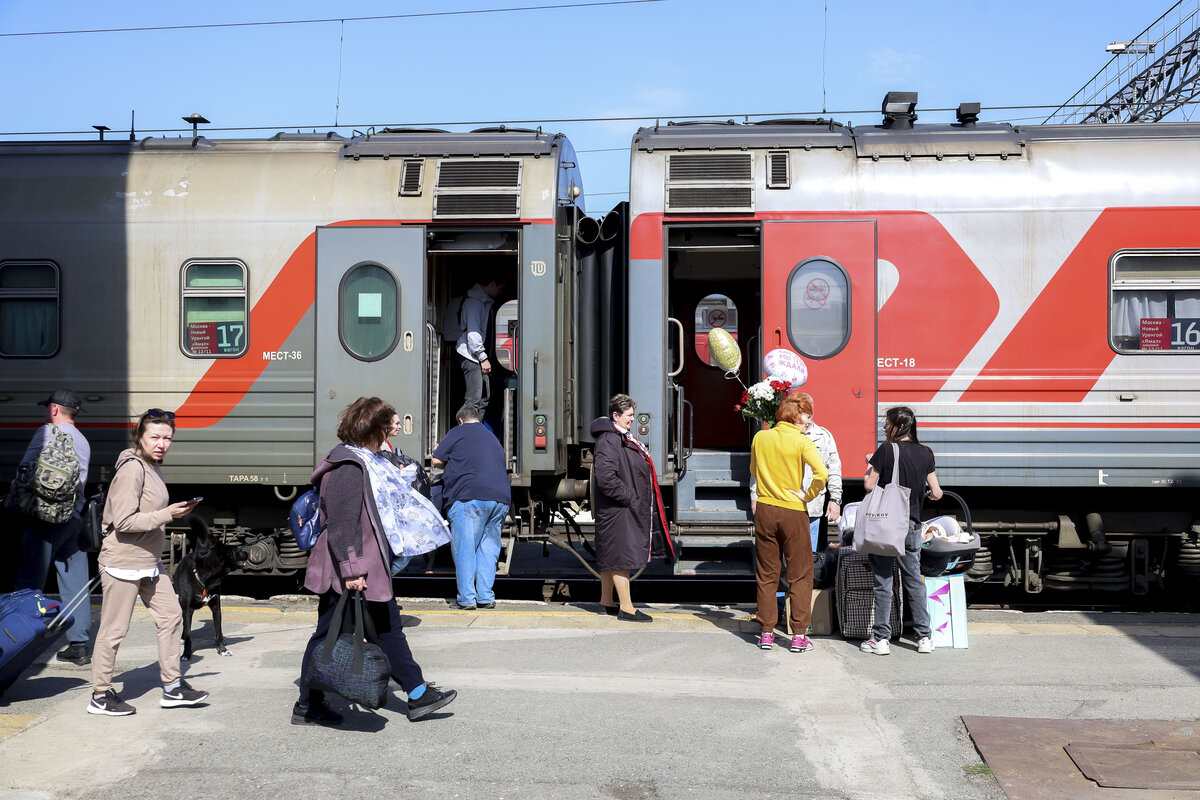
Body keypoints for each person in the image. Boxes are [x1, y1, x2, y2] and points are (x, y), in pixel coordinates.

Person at [293, 396, 456, 726]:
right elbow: (342, 524)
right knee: (346, 631)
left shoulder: (365, 460)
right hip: (353, 567)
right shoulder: (348, 467)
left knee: (373, 629)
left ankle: (415, 693)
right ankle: (311, 704)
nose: (389, 433)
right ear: (373, 429)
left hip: (365, 563)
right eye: (385, 428)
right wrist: (352, 570)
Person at [88, 409, 207, 716]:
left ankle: (172, 688)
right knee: (114, 629)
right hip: (123, 561)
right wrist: (169, 514)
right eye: (154, 437)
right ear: (139, 436)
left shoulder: (152, 466)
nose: (162, 443)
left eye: (167, 438)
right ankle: (100, 694)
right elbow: (125, 521)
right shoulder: (132, 469)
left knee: (170, 617)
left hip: (149, 562)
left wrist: (174, 511)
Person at [12, 390, 93, 666]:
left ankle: (18, 641)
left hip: (45, 518)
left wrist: (15, 495)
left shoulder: (46, 433)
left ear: (56, 409)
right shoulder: (83, 441)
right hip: (74, 518)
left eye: (48, 407)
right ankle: (79, 645)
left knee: (29, 582)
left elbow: (24, 471)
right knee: (75, 581)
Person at [860, 405, 943, 656]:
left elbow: (868, 485)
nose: (884, 427)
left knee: (884, 582)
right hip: (912, 526)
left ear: (898, 425)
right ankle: (924, 638)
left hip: (887, 525)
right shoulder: (925, 452)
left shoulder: (886, 450)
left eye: (887, 423)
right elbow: (937, 492)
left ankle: (881, 639)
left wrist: (869, 464)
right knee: (914, 581)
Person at [749, 395, 829, 652]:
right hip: (793, 510)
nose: (809, 420)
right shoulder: (802, 441)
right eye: (807, 415)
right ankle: (798, 635)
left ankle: (766, 632)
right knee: (800, 574)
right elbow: (822, 474)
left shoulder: (761, 437)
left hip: (765, 507)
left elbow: (753, 470)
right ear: (798, 416)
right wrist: (808, 494)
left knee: (767, 573)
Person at [589, 394, 670, 623]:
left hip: (618, 509)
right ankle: (626, 607)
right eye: (629, 416)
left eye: (633, 415)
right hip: (618, 509)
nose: (632, 420)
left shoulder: (618, 438)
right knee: (620, 558)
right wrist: (632, 498)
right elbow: (606, 478)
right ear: (616, 415)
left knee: (611, 556)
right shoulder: (610, 440)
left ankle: (607, 601)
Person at [432, 404, 510, 610]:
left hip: (469, 497)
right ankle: (485, 597)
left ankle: (467, 599)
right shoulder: (492, 438)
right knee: (488, 548)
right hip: (500, 499)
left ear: (460, 420)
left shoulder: (458, 432)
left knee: (465, 548)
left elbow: (437, 459)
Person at [750, 391, 843, 552]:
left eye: (805, 412)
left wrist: (835, 499)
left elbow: (833, 469)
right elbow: (759, 470)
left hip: (811, 505)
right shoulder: (777, 435)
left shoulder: (823, 436)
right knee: (786, 557)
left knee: (807, 555)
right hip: (785, 503)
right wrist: (754, 496)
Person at [453, 276, 504, 416]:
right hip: (471, 355)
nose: (501, 292)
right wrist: (483, 357)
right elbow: (473, 334)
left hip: (474, 356)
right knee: (474, 400)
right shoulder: (475, 303)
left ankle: (475, 430)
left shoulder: (481, 302)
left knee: (483, 398)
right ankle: (467, 433)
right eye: (500, 288)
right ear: (492, 282)